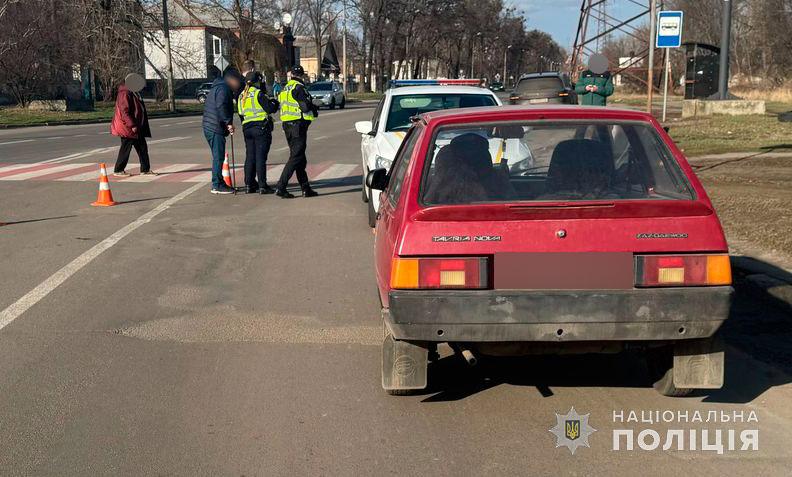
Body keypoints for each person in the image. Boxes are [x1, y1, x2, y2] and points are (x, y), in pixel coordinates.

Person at [275, 65, 320, 199]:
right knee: (296, 158)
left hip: (287, 126)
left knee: (300, 158)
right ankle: (281, 187)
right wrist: (313, 106)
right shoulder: (299, 88)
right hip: (297, 126)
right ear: (301, 76)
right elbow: (305, 107)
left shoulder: (286, 88)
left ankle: (306, 188)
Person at [202, 68, 243, 194]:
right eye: (237, 82)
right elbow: (221, 105)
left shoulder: (219, 86)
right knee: (218, 157)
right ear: (231, 79)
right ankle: (217, 184)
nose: (237, 85)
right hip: (215, 127)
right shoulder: (223, 89)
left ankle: (219, 182)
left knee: (217, 156)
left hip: (211, 125)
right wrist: (228, 122)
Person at [238, 71, 280, 194]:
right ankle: (262, 185)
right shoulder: (258, 94)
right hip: (260, 128)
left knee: (250, 157)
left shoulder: (242, 95)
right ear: (257, 81)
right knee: (261, 157)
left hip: (247, 128)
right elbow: (270, 108)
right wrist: (275, 102)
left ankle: (249, 184)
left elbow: (241, 114)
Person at [111, 73, 155, 176]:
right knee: (126, 148)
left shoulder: (133, 92)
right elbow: (124, 111)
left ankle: (145, 169)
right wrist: (132, 125)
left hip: (135, 126)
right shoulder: (125, 93)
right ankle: (118, 170)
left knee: (142, 148)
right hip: (128, 127)